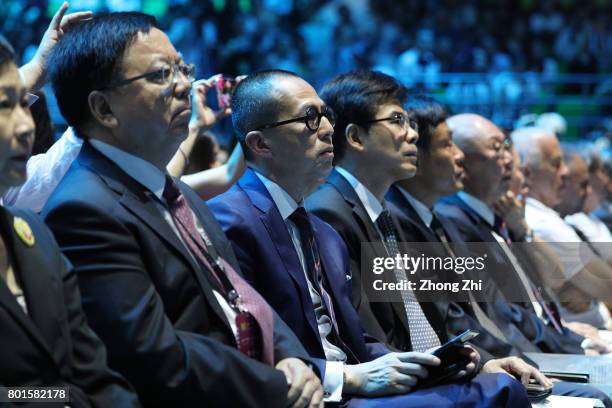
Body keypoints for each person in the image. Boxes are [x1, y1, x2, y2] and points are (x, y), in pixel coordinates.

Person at [41, 12, 322, 407]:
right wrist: (277, 384)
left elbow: (240, 296)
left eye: (182, 68)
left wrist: (293, 356)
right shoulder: (82, 210)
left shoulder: (176, 192)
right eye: (161, 75)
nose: (185, 84)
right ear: (104, 109)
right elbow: (153, 357)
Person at [209, 70, 530, 406]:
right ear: (261, 144)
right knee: (499, 393)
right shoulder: (231, 220)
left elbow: (358, 338)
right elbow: (246, 348)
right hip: (317, 393)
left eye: (326, 115)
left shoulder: (322, 231)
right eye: (309, 117)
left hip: (360, 382)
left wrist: (431, 364)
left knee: (499, 387)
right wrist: (345, 376)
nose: (327, 128)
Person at [387, 96, 611, 405]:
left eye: (509, 151)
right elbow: (466, 318)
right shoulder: (452, 218)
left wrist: (567, 341)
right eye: (498, 150)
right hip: (478, 363)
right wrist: (505, 361)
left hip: (518, 350)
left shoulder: (454, 219)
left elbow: (503, 309)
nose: (458, 157)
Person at [0, 29, 140, 407]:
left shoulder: (34, 235)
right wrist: (60, 399)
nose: (27, 125)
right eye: (4, 105)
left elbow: (94, 372)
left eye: (20, 103)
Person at [512, 127, 612, 328]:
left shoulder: (548, 217)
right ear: (527, 173)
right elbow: (608, 286)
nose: (565, 172)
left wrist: (582, 290)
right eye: (556, 164)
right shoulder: (544, 224)